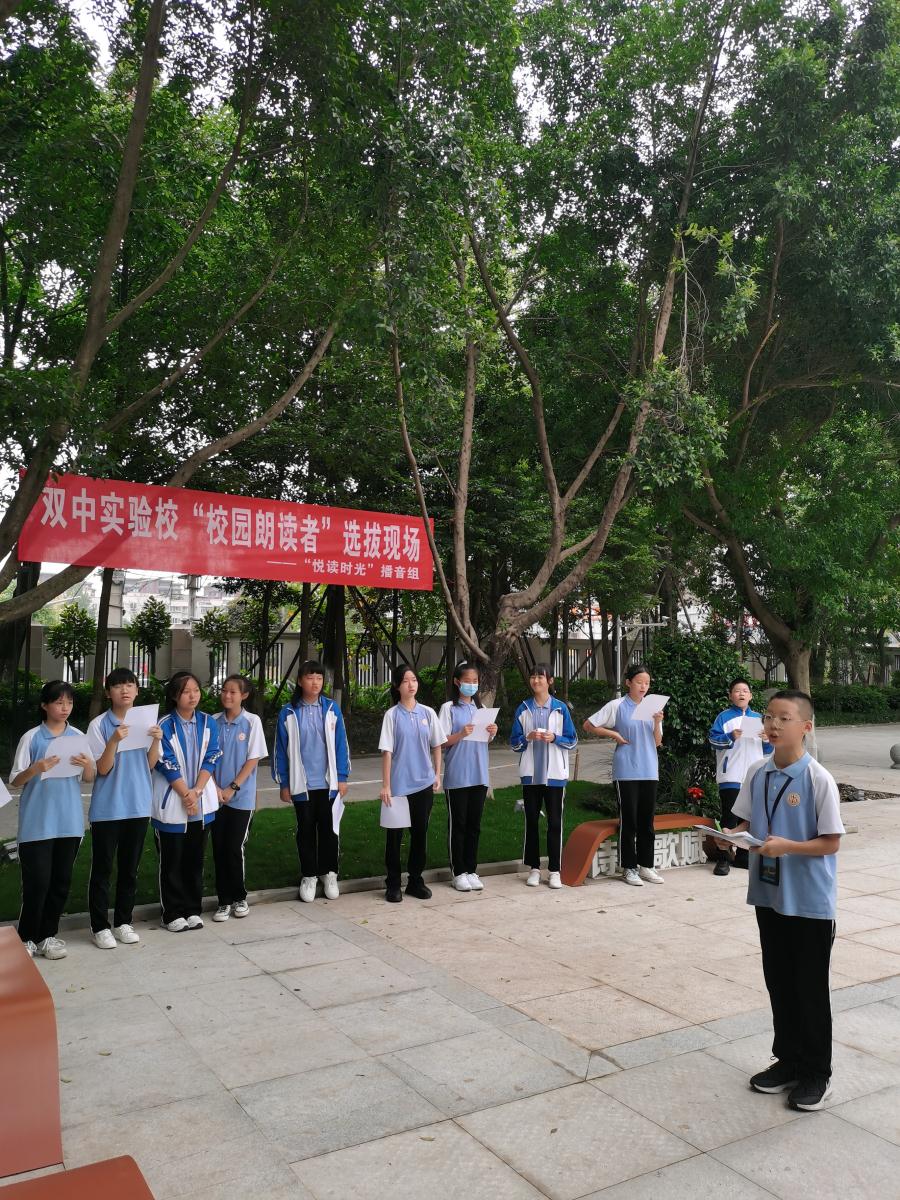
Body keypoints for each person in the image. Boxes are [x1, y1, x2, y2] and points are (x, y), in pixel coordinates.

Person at [715, 689, 843, 1112]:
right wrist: (728, 838)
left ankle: (817, 1073)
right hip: (769, 895)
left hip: (808, 901)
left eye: (783, 718)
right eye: (769, 717)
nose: (772, 725)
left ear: (805, 727)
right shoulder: (758, 771)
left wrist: (787, 846)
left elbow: (830, 842)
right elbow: (746, 823)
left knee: (809, 987)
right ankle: (787, 1060)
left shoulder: (817, 778)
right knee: (780, 982)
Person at [10, 681, 96, 959]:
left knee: (61, 882)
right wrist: (36, 768)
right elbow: (15, 780)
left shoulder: (77, 736)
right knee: (37, 883)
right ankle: (26, 937)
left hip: (69, 822)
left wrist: (88, 766)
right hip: (37, 823)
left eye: (69, 702)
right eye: (59, 702)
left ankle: (48, 935)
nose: (65, 708)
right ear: (44, 705)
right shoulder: (32, 737)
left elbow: (89, 777)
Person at [86, 667, 163, 949]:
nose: (125, 690)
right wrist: (114, 741)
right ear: (109, 693)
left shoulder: (146, 722)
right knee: (103, 869)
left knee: (130, 869)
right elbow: (102, 769)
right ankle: (99, 927)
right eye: (118, 686)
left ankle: (123, 922)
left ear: (137, 690)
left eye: (130, 684)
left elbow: (150, 764)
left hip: (138, 805)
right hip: (108, 807)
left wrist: (156, 739)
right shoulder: (99, 725)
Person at [274, 660, 350, 903]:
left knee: (329, 830)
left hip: (328, 785)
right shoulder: (288, 712)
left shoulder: (331, 709)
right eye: (310, 677)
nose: (315, 682)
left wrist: (342, 777)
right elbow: (280, 750)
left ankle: (329, 874)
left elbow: (341, 744)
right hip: (301, 785)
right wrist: (284, 783)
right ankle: (309, 876)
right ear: (300, 681)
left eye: (319, 677)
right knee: (305, 830)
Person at [582, 663, 665, 886]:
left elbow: (657, 742)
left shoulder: (653, 708)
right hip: (626, 770)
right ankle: (629, 868)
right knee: (629, 821)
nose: (643, 687)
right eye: (639, 682)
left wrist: (657, 722)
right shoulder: (617, 705)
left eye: (647, 683)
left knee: (647, 821)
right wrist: (614, 735)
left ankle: (646, 865)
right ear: (628, 682)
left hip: (649, 770)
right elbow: (588, 725)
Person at [152, 671, 222, 931]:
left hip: (200, 800)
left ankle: (192, 909)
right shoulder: (164, 724)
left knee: (195, 860)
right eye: (185, 691)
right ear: (174, 695)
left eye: (195, 690)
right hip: (173, 800)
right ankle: (172, 913)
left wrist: (197, 791)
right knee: (171, 861)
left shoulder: (208, 722)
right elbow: (165, 761)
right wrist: (186, 794)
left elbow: (212, 756)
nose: (192, 696)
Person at [379, 664, 444, 903]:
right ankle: (393, 883)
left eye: (414, 680)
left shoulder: (428, 713)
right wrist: (386, 785)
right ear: (397, 686)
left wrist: (437, 774)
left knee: (419, 835)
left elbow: (437, 744)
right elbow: (387, 751)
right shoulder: (392, 715)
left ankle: (415, 881)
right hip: (398, 787)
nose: (411, 684)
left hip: (423, 784)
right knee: (394, 838)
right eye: (406, 681)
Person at [510, 664, 578, 889]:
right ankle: (534, 868)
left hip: (555, 776)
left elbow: (572, 740)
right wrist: (527, 737)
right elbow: (514, 743)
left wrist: (555, 738)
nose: (536, 680)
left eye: (540, 676)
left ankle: (555, 870)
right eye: (533, 676)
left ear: (550, 681)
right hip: (531, 776)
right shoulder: (523, 709)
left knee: (555, 823)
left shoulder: (560, 709)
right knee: (531, 821)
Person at [211, 675, 267, 921]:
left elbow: (253, 759)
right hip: (215, 797)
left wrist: (232, 788)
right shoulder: (213, 722)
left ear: (244, 696)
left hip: (241, 798)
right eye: (224, 690)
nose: (227, 695)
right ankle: (223, 901)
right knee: (219, 848)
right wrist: (215, 787)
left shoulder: (252, 722)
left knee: (234, 847)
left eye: (233, 692)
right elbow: (207, 759)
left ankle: (239, 897)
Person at [438, 661, 498, 892]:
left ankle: (471, 870)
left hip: (479, 774)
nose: (472, 685)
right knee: (458, 825)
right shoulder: (448, 709)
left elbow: (484, 740)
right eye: (467, 681)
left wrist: (492, 732)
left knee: (474, 825)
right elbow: (441, 741)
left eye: (475, 681)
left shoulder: (481, 710)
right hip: (458, 775)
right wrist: (461, 733)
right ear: (457, 682)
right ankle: (458, 871)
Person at [707, 677, 772, 876]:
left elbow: (768, 749)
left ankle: (743, 856)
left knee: (750, 818)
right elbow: (713, 741)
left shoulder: (760, 719)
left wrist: (767, 739)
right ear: (730, 696)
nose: (741, 694)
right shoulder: (724, 717)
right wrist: (730, 737)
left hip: (754, 775)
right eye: (737, 691)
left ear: (751, 695)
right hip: (731, 775)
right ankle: (723, 857)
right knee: (730, 816)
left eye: (745, 691)